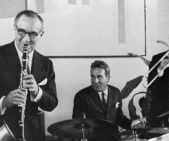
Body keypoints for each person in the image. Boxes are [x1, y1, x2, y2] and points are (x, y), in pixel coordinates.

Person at [0, 10, 58, 141]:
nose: (26, 39)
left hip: (32, 134)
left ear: (41, 34)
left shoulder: (46, 64)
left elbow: (52, 103)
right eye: (22, 32)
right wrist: (4, 102)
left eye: (32, 34)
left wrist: (37, 91)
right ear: (14, 29)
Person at [72, 60, 145, 141]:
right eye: (92, 76)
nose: (95, 81)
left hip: (114, 138)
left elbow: (118, 117)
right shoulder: (81, 96)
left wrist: (131, 124)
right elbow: (77, 125)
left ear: (108, 78)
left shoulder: (116, 92)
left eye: (99, 77)